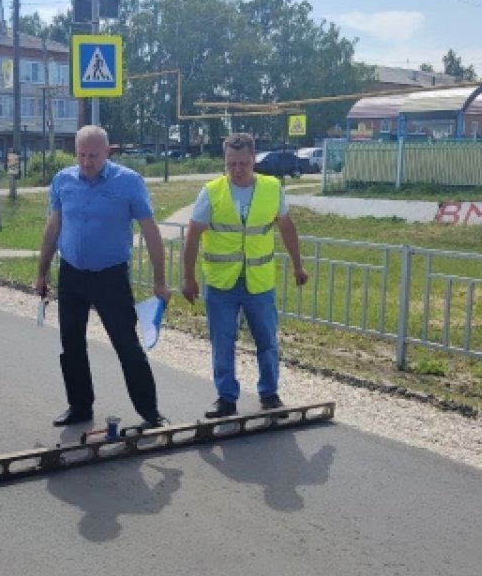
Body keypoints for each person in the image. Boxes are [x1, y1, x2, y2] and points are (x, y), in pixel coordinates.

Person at [35, 125, 172, 428]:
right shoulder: (63, 181)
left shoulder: (129, 182)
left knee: (126, 345)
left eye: (93, 156)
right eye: (81, 155)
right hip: (71, 274)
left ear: (107, 152)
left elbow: (151, 232)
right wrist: (41, 272)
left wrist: (160, 280)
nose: (86, 162)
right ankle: (79, 406)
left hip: (110, 277)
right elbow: (53, 227)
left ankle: (150, 412)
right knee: (71, 344)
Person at [181, 132, 309, 418]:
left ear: (254, 159)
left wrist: (298, 265)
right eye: (231, 164)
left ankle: (270, 394)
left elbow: (287, 228)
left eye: (243, 163)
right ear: (225, 162)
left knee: (267, 341)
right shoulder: (211, 191)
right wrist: (188, 277)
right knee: (223, 342)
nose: (237, 170)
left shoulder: (272, 188)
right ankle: (226, 398)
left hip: (259, 283)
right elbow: (192, 236)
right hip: (221, 283)